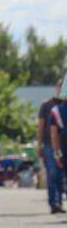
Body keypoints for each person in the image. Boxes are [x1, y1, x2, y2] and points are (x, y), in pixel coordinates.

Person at [37, 84, 64, 213]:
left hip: (64, 144)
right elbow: (41, 126)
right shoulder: (47, 105)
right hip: (49, 144)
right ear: (56, 88)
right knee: (53, 173)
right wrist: (39, 144)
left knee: (61, 175)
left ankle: (59, 201)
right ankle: (54, 202)